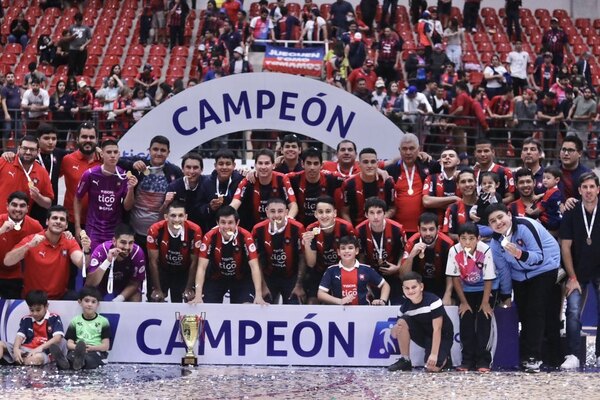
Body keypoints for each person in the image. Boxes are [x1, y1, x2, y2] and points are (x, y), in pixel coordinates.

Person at [487, 203, 562, 372]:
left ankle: (533, 357)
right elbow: (504, 270)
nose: (498, 223)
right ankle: (526, 354)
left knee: (536, 310)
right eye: (493, 221)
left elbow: (539, 257)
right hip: (519, 274)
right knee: (524, 312)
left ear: (508, 214)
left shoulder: (525, 226)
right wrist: (506, 294)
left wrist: (519, 254)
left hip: (545, 268)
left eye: (500, 217)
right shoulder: (495, 242)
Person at [4, 205, 91, 300]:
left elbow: (82, 264)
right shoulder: (32, 240)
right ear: (47, 222)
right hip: (33, 299)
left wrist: (86, 251)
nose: (58, 221)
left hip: (59, 297)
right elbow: (7, 261)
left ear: (66, 225)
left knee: (78, 299)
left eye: (62, 219)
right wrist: (28, 246)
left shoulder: (69, 241)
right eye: (54, 218)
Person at [560, 172, 600, 369]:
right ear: (579, 190)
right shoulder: (571, 210)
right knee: (573, 311)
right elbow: (565, 246)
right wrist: (572, 276)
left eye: (592, 187)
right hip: (577, 270)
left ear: (598, 189)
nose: (589, 191)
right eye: (585, 187)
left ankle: (599, 354)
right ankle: (573, 354)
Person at [190, 206, 266, 305]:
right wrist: (198, 295)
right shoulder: (209, 237)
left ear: (237, 223)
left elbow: (254, 267)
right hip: (216, 279)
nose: (226, 227)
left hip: (241, 279)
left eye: (230, 222)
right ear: (217, 223)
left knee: (246, 307)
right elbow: (201, 267)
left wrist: (258, 295)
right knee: (206, 306)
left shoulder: (246, 236)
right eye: (223, 222)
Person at [121, 136, 183, 258]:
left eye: (163, 150)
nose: (159, 153)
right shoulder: (140, 164)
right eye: (155, 149)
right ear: (149, 150)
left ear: (168, 153)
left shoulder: (174, 172)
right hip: (134, 233)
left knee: (156, 270)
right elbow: (116, 160)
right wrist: (132, 164)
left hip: (160, 233)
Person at [446, 223, 497, 372]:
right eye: (463, 238)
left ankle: (484, 361)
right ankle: (467, 360)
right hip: (465, 290)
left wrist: (486, 302)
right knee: (466, 321)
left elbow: (489, 278)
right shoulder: (453, 251)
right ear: (458, 239)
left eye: (471, 238)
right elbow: (455, 278)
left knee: (484, 320)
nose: (467, 242)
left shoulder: (485, 249)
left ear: (478, 238)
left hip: (485, 289)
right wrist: (463, 302)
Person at [73, 139, 137, 252]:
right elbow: (77, 198)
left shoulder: (124, 176)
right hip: (93, 229)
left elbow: (127, 206)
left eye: (115, 152)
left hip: (114, 230)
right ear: (102, 154)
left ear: (119, 154)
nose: (112, 155)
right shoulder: (90, 174)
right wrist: (78, 227)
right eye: (109, 152)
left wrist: (131, 189)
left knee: (111, 265)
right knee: (92, 265)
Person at [387, 271, 454, 372]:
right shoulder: (404, 308)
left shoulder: (433, 301)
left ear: (421, 287)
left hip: (443, 335)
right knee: (401, 321)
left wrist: (434, 354)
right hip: (424, 336)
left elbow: (437, 329)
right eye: (407, 288)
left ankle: (446, 358)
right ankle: (405, 360)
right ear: (403, 289)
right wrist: (395, 329)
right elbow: (394, 335)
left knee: (432, 368)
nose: (410, 291)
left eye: (414, 287)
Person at [302, 196, 356, 304]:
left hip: (342, 270)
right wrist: (307, 244)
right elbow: (311, 263)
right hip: (319, 271)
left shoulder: (346, 228)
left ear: (335, 213)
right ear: (315, 214)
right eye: (320, 212)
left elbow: (354, 256)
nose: (324, 215)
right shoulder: (311, 230)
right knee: (312, 301)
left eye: (328, 211)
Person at [252, 198, 306, 304]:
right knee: (265, 311)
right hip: (268, 277)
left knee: (293, 311)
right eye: (272, 211)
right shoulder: (258, 229)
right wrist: (262, 286)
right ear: (266, 212)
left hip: (291, 277)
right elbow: (255, 260)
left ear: (286, 212)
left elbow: (302, 257)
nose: (276, 215)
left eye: (280, 211)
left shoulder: (297, 228)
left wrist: (299, 284)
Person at [147, 201, 203, 303]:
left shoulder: (195, 230)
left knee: (184, 300)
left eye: (180, 216)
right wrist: (157, 289)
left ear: (186, 217)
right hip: (162, 270)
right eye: (173, 215)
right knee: (156, 299)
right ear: (166, 217)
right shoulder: (155, 230)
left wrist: (189, 288)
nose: (177, 220)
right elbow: (153, 262)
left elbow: (194, 262)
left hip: (183, 272)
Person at [230, 149, 297, 230]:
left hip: (278, 227)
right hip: (253, 229)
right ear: (255, 165)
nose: (263, 167)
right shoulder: (248, 180)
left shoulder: (282, 179)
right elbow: (234, 204)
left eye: (267, 163)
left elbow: (293, 205)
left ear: (273, 165)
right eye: (260, 163)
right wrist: (225, 219)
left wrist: (287, 220)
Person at [356, 197, 406, 304]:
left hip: (393, 272)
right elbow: (360, 255)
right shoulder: (359, 230)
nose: (375, 217)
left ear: (384, 213)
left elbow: (404, 251)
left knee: (397, 304)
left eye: (379, 212)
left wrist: (398, 267)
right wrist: (364, 275)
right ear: (366, 214)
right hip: (371, 273)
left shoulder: (397, 229)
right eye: (371, 213)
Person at [318, 235, 389, 305]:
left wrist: (382, 300)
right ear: (338, 252)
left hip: (364, 312)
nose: (346, 251)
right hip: (339, 312)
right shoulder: (331, 270)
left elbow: (385, 285)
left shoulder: (367, 269)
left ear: (357, 251)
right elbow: (321, 294)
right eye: (343, 248)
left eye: (350, 248)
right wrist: (340, 301)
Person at [0, 290, 66, 366]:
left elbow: (58, 338)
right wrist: (16, 349)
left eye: (38, 310)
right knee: (0, 344)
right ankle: (19, 359)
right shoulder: (26, 319)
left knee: (37, 359)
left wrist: (40, 348)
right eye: (31, 310)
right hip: (25, 349)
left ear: (46, 306)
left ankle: (18, 360)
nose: (34, 313)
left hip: (42, 351)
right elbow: (19, 336)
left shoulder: (54, 318)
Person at [402, 212, 455, 302]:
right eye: (424, 229)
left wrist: (448, 294)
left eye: (431, 229)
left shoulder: (448, 244)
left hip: (441, 284)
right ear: (418, 229)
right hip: (419, 286)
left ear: (438, 229)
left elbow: (452, 274)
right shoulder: (412, 243)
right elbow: (403, 275)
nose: (428, 233)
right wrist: (411, 256)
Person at [85, 224, 146, 302]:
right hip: (102, 283)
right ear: (114, 241)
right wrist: (107, 261)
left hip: (125, 284)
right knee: (90, 294)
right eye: (123, 242)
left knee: (136, 295)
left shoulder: (137, 253)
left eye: (130, 243)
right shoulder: (101, 250)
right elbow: (90, 284)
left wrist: (119, 299)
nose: (127, 247)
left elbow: (135, 283)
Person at [0, 192, 44, 299]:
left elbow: (48, 238)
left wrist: (65, 233)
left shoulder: (35, 226)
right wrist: (1, 230)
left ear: (27, 208)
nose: (18, 209)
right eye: (14, 205)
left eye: (22, 206)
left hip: (18, 277)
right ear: (7, 206)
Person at [60, 122, 102, 233]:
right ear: (77, 139)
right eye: (84, 137)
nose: (88, 140)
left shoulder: (104, 161)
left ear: (97, 140)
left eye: (92, 137)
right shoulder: (67, 160)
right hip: (71, 220)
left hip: (97, 221)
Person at [55, 287, 110, 370]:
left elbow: (105, 346)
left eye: (93, 302)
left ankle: (78, 362)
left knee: (89, 360)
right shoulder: (75, 321)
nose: (89, 304)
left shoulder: (103, 321)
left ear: (98, 304)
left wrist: (91, 348)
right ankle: (65, 362)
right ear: (80, 302)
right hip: (77, 350)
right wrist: (78, 348)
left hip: (95, 351)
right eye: (86, 301)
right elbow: (69, 344)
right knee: (71, 356)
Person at [288, 147, 345, 226]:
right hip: (301, 227)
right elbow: (275, 176)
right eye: (308, 163)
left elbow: (352, 180)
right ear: (302, 164)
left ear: (321, 165)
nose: (312, 167)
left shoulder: (331, 178)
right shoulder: (293, 178)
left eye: (316, 163)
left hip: (325, 226)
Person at [341, 148, 395, 226]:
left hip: (382, 227)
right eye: (366, 162)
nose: (369, 166)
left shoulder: (387, 182)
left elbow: (392, 208)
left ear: (377, 164)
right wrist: (352, 230)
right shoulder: (349, 184)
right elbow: (344, 212)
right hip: (357, 229)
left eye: (373, 162)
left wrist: (379, 220)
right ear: (359, 164)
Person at [0, 135, 53, 215]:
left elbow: (48, 204)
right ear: (19, 148)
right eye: (25, 148)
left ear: (38, 151)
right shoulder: (4, 162)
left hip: (21, 223)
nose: (28, 152)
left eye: (32, 149)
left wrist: (38, 197)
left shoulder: (42, 172)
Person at [423, 148, 461, 226]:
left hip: (458, 227)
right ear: (440, 162)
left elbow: (467, 202)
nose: (447, 157)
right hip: (436, 227)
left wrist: (437, 203)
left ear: (458, 161)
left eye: (451, 156)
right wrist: (454, 198)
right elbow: (426, 202)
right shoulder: (431, 178)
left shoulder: (463, 178)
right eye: (444, 156)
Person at [473, 138, 515, 204]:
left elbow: (511, 197)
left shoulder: (504, 172)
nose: (483, 154)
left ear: (493, 152)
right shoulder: (473, 173)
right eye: (479, 151)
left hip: (497, 211)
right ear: (475, 153)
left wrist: (493, 203)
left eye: (486, 151)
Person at [443, 169, 478, 241]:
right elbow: (449, 234)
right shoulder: (452, 208)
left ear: (476, 183)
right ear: (457, 185)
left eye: (470, 181)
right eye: (463, 182)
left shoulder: (486, 204)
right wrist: (469, 239)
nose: (467, 184)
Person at [529, 166, 562, 235]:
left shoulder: (549, 192)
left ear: (557, 180)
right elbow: (546, 194)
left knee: (533, 223)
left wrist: (531, 212)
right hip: (557, 218)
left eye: (548, 178)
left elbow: (541, 208)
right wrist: (539, 196)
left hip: (550, 221)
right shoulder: (557, 190)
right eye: (543, 178)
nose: (544, 180)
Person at [567, 86, 596, 151]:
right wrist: (569, 116)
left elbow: (589, 116)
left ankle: (581, 160)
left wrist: (578, 117)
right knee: (568, 140)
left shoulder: (593, 103)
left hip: (583, 126)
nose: (587, 94)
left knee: (582, 146)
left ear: (591, 94)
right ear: (583, 93)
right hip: (573, 124)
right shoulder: (579, 98)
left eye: (589, 92)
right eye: (586, 92)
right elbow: (572, 107)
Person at [2, 72, 23, 150]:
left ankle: (17, 150)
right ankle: (4, 150)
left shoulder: (17, 88)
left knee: (18, 133)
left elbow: (20, 100)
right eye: (8, 77)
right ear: (6, 79)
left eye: (12, 76)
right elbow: (3, 101)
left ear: (14, 78)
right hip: (9, 114)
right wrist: (6, 114)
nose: (10, 78)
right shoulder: (4, 89)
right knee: (7, 132)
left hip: (18, 114)